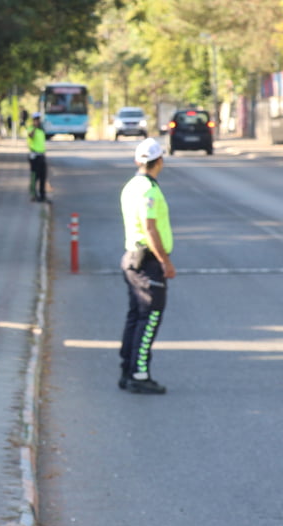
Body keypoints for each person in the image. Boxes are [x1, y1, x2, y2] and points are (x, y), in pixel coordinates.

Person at [118, 138, 176, 395]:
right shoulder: (149, 191)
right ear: (159, 161)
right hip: (147, 263)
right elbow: (150, 229)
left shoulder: (132, 185)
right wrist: (165, 261)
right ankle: (140, 374)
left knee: (135, 317)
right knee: (149, 318)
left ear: (137, 161)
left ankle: (127, 370)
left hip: (132, 258)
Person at [27, 112, 48, 202]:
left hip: (41, 155)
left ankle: (42, 195)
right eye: (35, 120)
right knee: (34, 176)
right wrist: (34, 128)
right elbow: (30, 136)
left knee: (43, 176)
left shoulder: (41, 130)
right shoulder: (31, 129)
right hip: (34, 156)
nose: (37, 121)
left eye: (38, 120)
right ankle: (33, 194)